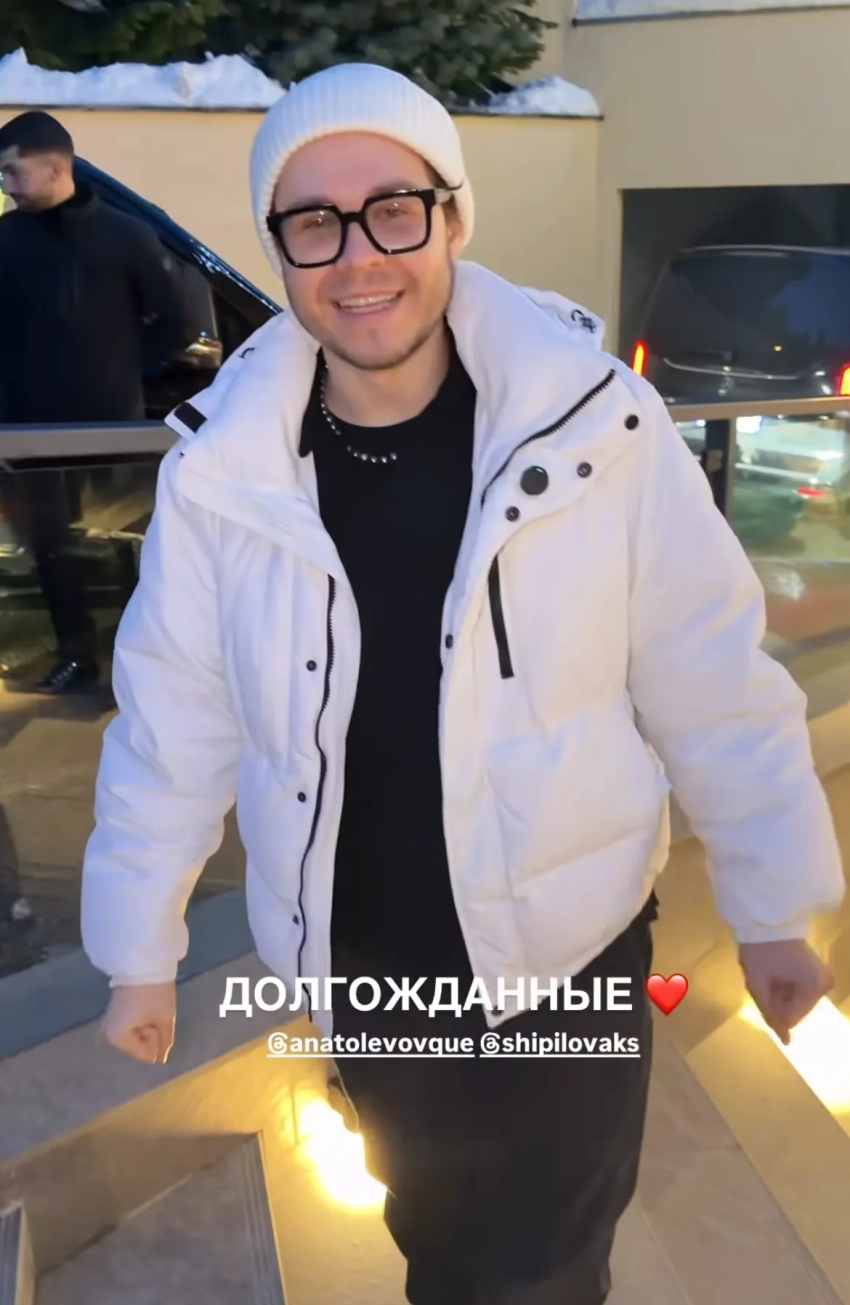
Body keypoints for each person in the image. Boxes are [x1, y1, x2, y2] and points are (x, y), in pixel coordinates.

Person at [81, 64, 845, 1305]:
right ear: (278, 247)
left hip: (566, 948)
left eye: (394, 209)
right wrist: (137, 949)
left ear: (450, 217)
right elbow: (174, 719)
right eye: (314, 222)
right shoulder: (227, 470)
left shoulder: (595, 426)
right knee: (433, 1232)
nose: (358, 256)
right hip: (361, 958)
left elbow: (708, 671)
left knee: (535, 1267)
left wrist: (771, 901)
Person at [0, 110, 188, 694]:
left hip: (111, 429)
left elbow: (177, 325)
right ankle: (76, 656)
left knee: (122, 548)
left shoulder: (125, 237)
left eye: (13, 172)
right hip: (29, 433)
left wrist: (127, 373)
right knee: (52, 550)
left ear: (56, 168)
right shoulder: (6, 240)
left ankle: (144, 666)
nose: (6, 185)